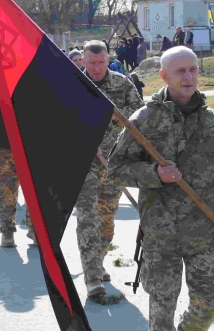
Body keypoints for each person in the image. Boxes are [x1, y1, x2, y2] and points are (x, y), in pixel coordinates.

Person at [109, 46, 214, 331]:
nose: (188, 77)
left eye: (193, 69)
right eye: (180, 71)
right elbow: (116, 169)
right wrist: (155, 174)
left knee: (209, 300)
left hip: (205, 229)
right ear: (163, 76)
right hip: (161, 234)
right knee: (162, 307)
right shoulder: (143, 120)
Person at [76, 40, 143, 300]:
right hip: (83, 164)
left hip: (114, 163)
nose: (96, 68)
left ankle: (98, 259)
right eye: (91, 63)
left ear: (108, 60)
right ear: (83, 60)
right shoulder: (74, 85)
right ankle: (92, 278)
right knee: (88, 221)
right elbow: (59, 120)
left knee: (106, 222)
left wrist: (113, 113)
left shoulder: (122, 83)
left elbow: (139, 114)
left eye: (101, 62)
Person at [0, 97, 36, 248]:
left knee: (10, 190)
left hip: (8, 145)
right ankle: (27, 231)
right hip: (8, 145)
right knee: (21, 190)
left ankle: (11, 233)